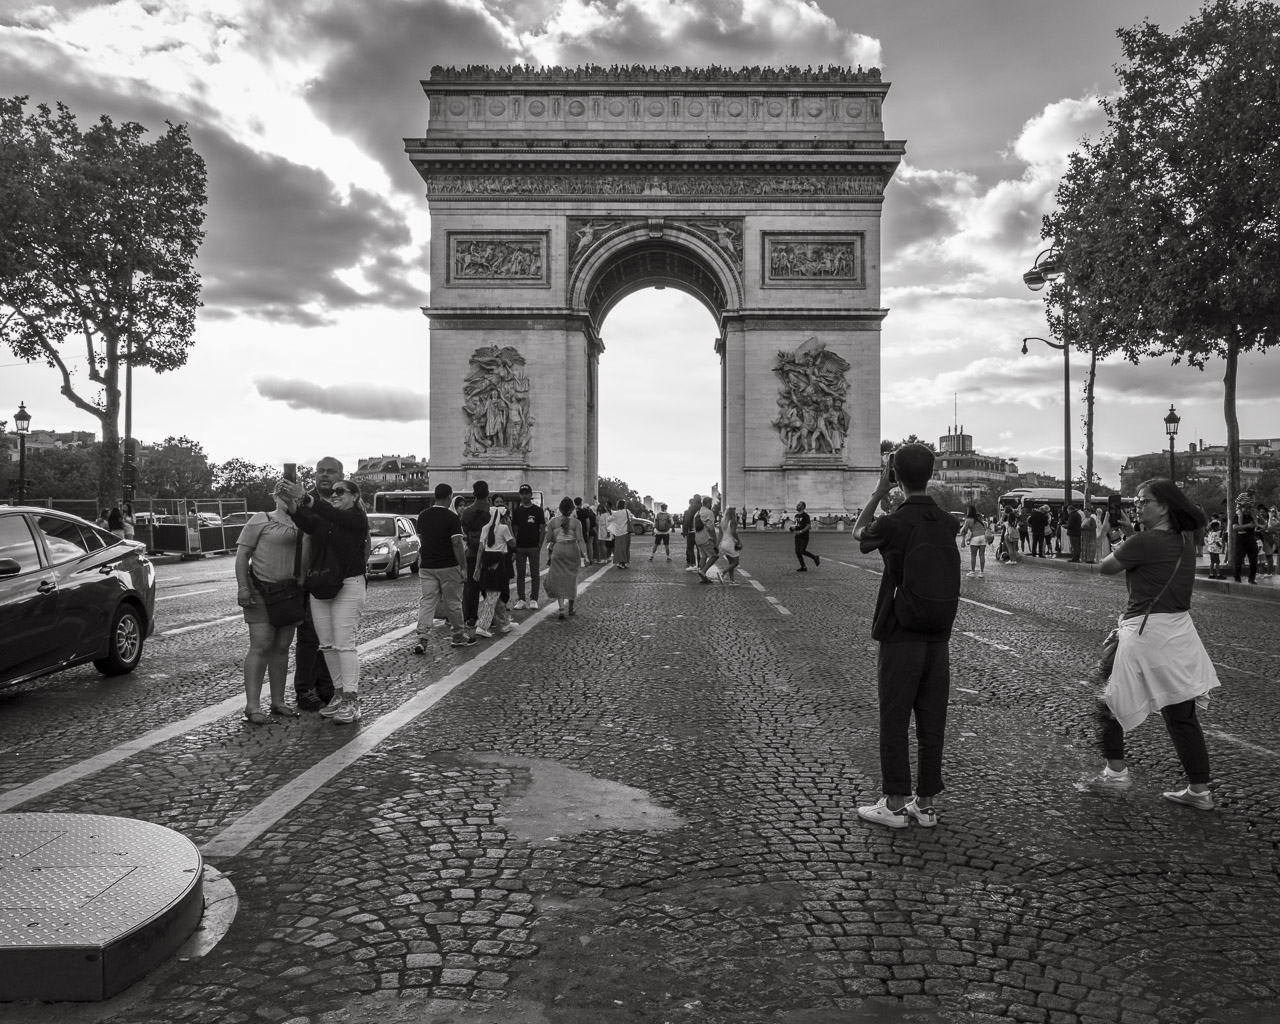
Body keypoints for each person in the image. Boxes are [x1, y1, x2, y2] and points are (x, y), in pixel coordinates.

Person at [1092, 478, 1220, 809]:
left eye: (1143, 501)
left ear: (1163, 506)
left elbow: (1105, 567)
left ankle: (1115, 771)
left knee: (1108, 700)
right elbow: (1144, 556)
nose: (1137, 506)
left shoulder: (1143, 542)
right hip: (1178, 636)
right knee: (1181, 714)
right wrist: (1128, 537)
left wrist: (1105, 533)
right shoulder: (1184, 541)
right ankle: (1199, 790)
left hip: (1143, 635)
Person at [852, 443, 960, 828]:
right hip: (939, 633)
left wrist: (880, 491)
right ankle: (926, 804)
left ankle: (895, 802)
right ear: (931, 474)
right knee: (933, 720)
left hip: (900, 630)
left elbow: (858, 533)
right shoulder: (948, 522)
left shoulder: (893, 523)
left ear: (896, 475)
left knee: (894, 717)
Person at [287, 476, 369, 724]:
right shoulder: (327, 517)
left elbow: (331, 515)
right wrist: (292, 506)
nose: (334, 494)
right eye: (332, 492)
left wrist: (306, 498)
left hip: (349, 584)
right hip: (321, 585)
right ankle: (339, 693)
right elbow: (308, 523)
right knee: (327, 644)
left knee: (345, 643)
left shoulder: (356, 518)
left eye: (340, 491)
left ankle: (352, 700)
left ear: (354, 496)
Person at [235, 480, 303, 723]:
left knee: (282, 647)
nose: (287, 501)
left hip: (290, 592)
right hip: (260, 590)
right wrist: (243, 587)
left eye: (291, 497)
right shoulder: (261, 519)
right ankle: (252, 706)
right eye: (283, 497)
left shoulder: (301, 521)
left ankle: (278, 701)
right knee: (261, 645)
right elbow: (242, 555)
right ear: (275, 497)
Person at [293, 457, 340, 710]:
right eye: (320, 471)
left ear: (340, 475)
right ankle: (305, 689)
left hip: (337, 578)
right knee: (310, 636)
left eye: (330, 471)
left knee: (330, 637)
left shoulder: (347, 500)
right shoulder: (304, 501)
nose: (324, 475)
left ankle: (326, 687)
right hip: (309, 577)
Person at [413, 482, 472, 651]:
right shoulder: (452, 518)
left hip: (427, 565)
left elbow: (422, 539)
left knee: (427, 602)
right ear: (449, 497)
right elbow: (457, 543)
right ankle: (458, 636)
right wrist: (463, 566)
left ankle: (422, 638)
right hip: (448, 565)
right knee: (453, 602)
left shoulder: (422, 515)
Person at [474, 503, 516, 637]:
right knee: (493, 596)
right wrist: (509, 526)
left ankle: (504, 623)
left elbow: (480, 548)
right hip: (499, 562)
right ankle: (482, 625)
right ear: (504, 517)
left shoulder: (485, 528)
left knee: (495, 596)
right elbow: (513, 544)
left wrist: (477, 567)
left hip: (487, 561)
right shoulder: (504, 528)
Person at [545, 496, 589, 619]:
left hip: (558, 550)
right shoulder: (576, 523)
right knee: (571, 579)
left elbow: (548, 539)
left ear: (559, 508)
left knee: (559, 580)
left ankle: (561, 609)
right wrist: (585, 556)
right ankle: (571, 607)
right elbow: (580, 540)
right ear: (572, 509)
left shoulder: (553, 521)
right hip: (572, 550)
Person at [460, 481, 492, 628]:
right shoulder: (494, 512)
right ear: (488, 493)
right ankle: (490, 616)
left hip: (472, 553)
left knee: (471, 587)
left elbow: (464, 533)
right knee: (491, 586)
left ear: (473, 494)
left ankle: (470, 616)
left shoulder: (466, 513)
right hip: (492, 552)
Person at [511, 484, 546, 609]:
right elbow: (514, 530)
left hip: (533, 547)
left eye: (526, 493)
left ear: (531, 495)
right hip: (520, 547)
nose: (524, 495)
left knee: (535, 574)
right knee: (520, 574)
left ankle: (534, 599)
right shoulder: (517, 511)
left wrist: (539, 545)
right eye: (522, 493)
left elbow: (542, 528)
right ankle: (521, 599)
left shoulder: (537, 510)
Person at [1231, 492, 1258, 584]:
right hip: (1240, 542)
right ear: (1241, 508)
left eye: (1248, 508)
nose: (1246, 510)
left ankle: (1251, 579)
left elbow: (1259, 524)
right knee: (1238, 561)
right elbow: (1235, 527)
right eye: (1245, 508)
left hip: (1251, 541)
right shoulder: (1237, 516)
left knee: (1254, 561)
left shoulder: (1252, 516)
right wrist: (1247, 525)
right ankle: (1237, 578)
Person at [714, 505, 742, 584]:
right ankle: (722, 573)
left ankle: (732, 581)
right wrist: (739, 540)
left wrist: (717, 545)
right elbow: (733, 532)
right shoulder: (733, 521)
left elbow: (720, 535)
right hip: (730, 544)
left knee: (731, 563)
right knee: (735, 562)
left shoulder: (722, 522)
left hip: (723, 544)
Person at [791, 500, 820, 572]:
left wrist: (801, 531)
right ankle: (803, 566)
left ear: (803, 507)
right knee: (797, 552)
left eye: (799, 505)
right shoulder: (796, 516)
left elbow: (808, 526)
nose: (797, 506)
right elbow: (796, 525)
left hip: (804, 536)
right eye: (797, 504)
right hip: (797, 536)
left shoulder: (806, 516)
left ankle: (815, 557)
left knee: (802, 551)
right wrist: (793, 528)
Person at [960, 504, 988, 578]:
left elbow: (965, 530)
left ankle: (972, 572)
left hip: (975, 538)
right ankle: (981, 572)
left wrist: (963, 536)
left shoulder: (968, 520)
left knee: (973, 555)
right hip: (983, 537)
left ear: (969, 512)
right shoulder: (979, 518)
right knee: (982, 555)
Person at [694, 495, 718, 580]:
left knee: (703, 557)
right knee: (715, 556)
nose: (711, 505)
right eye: (711, 503)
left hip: (698, 537)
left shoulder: (698, 512)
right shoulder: (709, 512)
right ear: (708, 503)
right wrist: (715, 539)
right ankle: (703, 571)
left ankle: (703, 577)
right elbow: (710, 528)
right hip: (706, 537)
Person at [607, 500, 633, 567]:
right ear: (624, 505)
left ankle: (620, 562)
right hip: (626, 532)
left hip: (618, 533)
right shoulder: (627, 511)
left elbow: (609, 519)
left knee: (619, 548)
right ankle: (624, 562)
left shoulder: (615, 513)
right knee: (626, 548)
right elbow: (631, 517)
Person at [573, 497, 597, 564]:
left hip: (577, 530)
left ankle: (582, 560)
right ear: (581, 503)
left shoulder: (574, 512)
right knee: (588, 545)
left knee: (579, 545)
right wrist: (587, 531)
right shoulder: (584, 511)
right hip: (584, 529)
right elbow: (587, 522)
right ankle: (590, 559)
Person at [682, 495, 701, 572]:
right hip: (701, 531)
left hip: (692, 531)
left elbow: (687, 520)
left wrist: (684, 531)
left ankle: (692, 564)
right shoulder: (703, 507)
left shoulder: (691, 508)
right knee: (700, 549)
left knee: (690, 548)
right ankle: (700, 564)